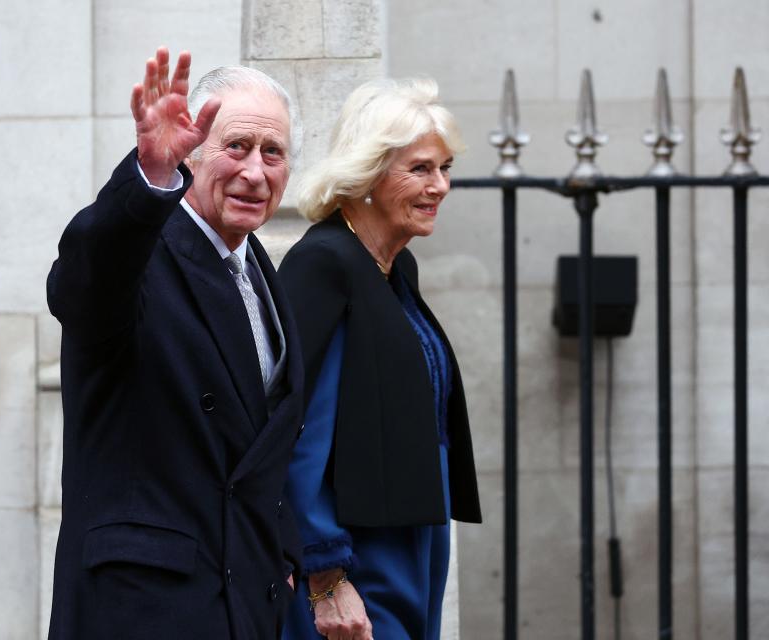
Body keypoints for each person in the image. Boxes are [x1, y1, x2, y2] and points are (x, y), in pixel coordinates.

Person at [46, 47, 306, 639]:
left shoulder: (260, 269)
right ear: (193, 151)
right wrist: (150, 178)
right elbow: (84, 282)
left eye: (274, 153)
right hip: (144, 609)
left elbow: (261, 455)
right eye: (235, 147)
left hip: (243, 604)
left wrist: (284, 558)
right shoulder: (141, 252)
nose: (255, 171)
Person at [278, 78, 482, 640]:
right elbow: (300, 436)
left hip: (412, 536)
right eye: (420, 169)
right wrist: (326, 573)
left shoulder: (394, 270)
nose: (439, 186)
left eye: (444, 169)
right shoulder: (324, 265)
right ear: (366, 173)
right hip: (359, 554)